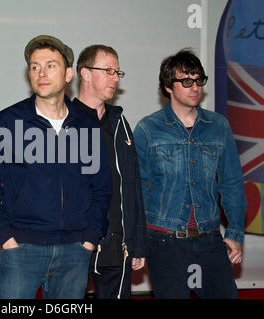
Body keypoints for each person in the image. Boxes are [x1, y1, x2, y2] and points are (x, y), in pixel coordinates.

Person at [0, 35, 112, 299]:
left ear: (69, 74)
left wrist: (90, 238)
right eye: (35, 66)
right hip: (22, 249)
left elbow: (101, 187)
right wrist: (6, 237)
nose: (41, 73)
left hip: (75, 251)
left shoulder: (87, 125)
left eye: (51, 65)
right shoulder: (8, 123)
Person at [133, 49, 246, 299]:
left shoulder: (218, 126)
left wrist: (236, 233)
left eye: (198, 80)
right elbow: (136, 190)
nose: (194, 87)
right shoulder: (148, 129)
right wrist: (137, 241)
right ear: (168, 87)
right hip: (164, 241)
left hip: (209, 238)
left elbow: (232, 183)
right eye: (186, 81)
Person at [73, 45, 148, 299]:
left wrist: (137, 242)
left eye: (118, 72)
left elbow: (133, 183)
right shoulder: (64, 121)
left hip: (118, 245)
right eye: (108, 71)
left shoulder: (120, 122)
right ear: (85, 74)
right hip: (75, 245)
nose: (116, 78)